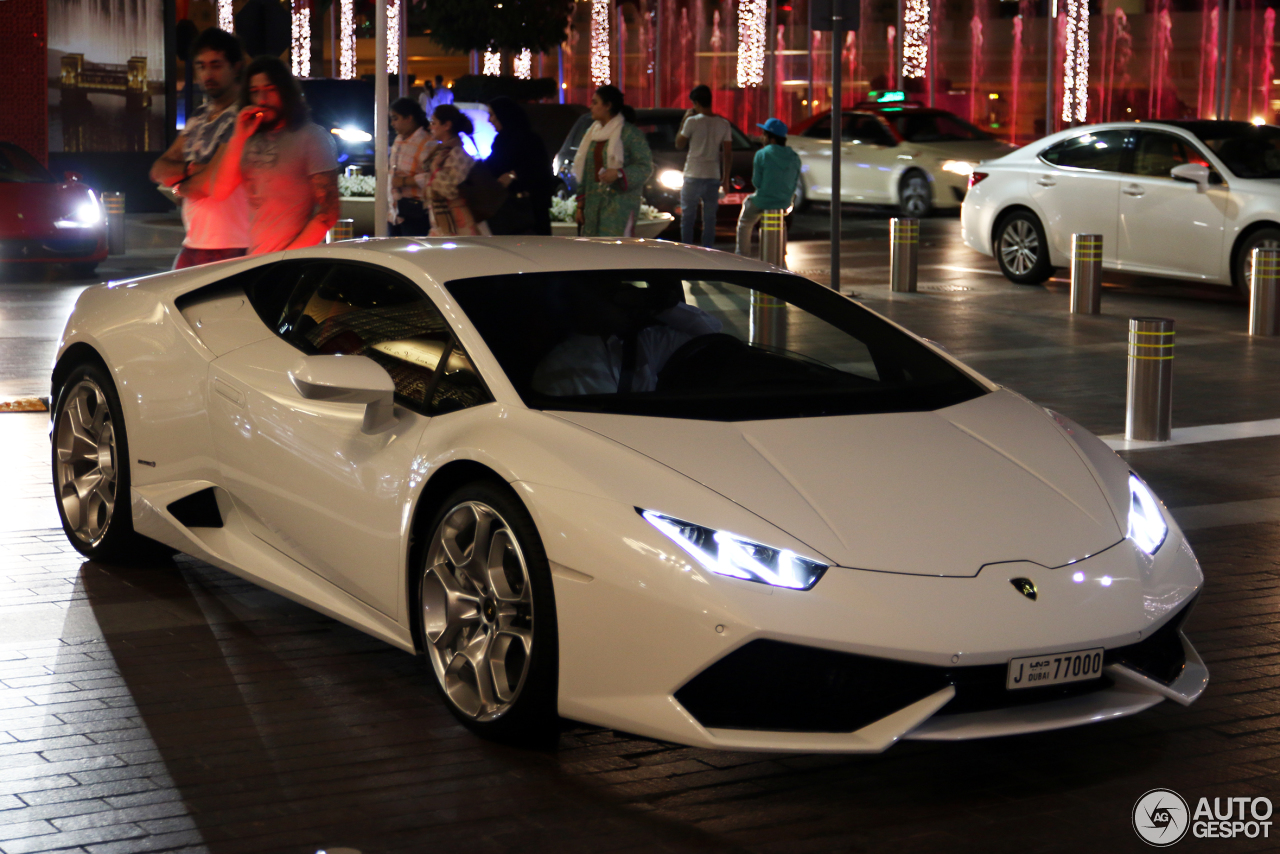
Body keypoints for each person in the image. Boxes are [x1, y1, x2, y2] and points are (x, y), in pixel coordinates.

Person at [207, 56, 339, 254]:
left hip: (292, 263)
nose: (262, 100)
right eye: (254, 92)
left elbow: (328, 213)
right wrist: (238, 137)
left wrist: (284, 259)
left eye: (270, 90)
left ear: (285, 91)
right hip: (255, 259)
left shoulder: (311, 137)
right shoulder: (248, 138)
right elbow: (219, 191)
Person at [149, 28, 250, 269]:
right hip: (194, 244)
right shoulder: (199, 117)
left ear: (235, 67)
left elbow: (213, 184)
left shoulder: (244, 117)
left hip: (234, 246)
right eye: (201, 66)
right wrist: (195, 168)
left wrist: (180, 185)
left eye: (216, 65)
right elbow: (158, 169)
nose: (208, 74)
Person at [572, 85, 653, 237]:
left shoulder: (630, 134)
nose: (590, 107)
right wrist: (580, 207)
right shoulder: (592, 135)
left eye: (595, 103)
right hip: (593, 205)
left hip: (619, 206)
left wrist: (619, 174)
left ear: (608, 106)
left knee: (616, 253)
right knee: (594, 252)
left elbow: (645, 166)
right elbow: (586, 171)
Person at [485, 96, 554, 235]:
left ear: (503, 115)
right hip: (511, 213)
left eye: (492, 115)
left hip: (528, 212)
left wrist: (513, 175)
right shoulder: (502, 140)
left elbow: (539, 171)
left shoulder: (529, 140)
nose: (489, 120)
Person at [674, 84, 732, 248]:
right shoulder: (723, 124)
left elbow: (679, 143)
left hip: (693, 174)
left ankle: (687, 249)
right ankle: (708, 250)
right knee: (710, 219)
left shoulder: (692, 121)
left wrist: (684, 120)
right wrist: (725, 178)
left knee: (688, 218)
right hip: (713, 175)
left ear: (696, 103)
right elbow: (727, 153)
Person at [736, 117, 801, 257]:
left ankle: (742, 255)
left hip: (763, 201)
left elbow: (757, 183)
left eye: (764, 134)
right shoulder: (795, 157)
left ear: (771, 138)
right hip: (784, 202)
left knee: (745, 221)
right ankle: (781, 255)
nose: (762, 138)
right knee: (780, 222)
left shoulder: (762, 154)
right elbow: (795, 181)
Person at [419, 103, 487, 236]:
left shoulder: (458, 154)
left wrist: (435, 168)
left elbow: (450, 190)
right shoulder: (441, 152)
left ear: (447, 125)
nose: (430, 127)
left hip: (457, 222)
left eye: (434, 123)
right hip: (443, 220)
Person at [387, 97, 432, 236]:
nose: (392, 123)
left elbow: (433, 177)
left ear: (409, 118)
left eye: (395, 118)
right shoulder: (399, 139)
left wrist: (404, 181)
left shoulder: (426, 142)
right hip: (396, 212)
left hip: (416, 212)